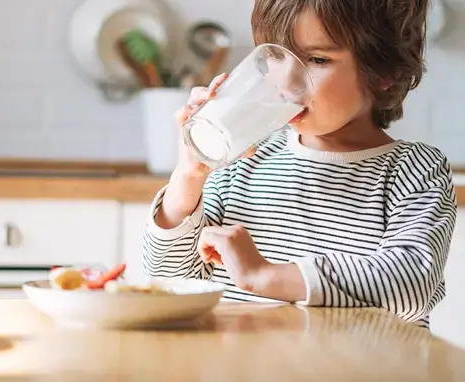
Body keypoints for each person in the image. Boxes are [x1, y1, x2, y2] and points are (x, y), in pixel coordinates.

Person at [142, 0, 457, 328]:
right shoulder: (242, 159)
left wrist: (266, 276)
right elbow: (170, 282)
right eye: (276, 55)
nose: (287, 83)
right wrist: (188, 178)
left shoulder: (415, 170)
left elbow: (411, 282)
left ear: (383, 72)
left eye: (317, 59)